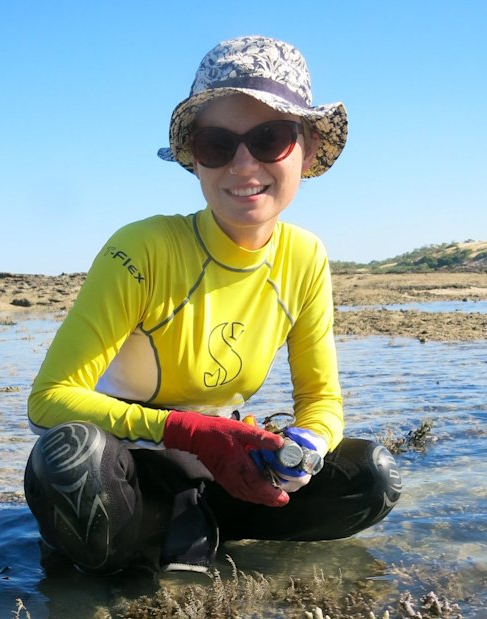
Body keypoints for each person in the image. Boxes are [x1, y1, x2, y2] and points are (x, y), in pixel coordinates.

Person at [24, 35, 402, 577]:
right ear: (194, 160)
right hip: (131, 468)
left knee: (372, 479)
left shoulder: (306, 257)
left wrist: (305, 447)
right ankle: (144, 534)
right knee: (70, 462)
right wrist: (194, 433)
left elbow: (321, 400)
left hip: (231, 470)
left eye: (271, 138)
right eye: (218, 145)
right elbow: (49, 402)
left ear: (309, 146)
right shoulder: (142, 248)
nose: (244, 165)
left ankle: (198, 525)